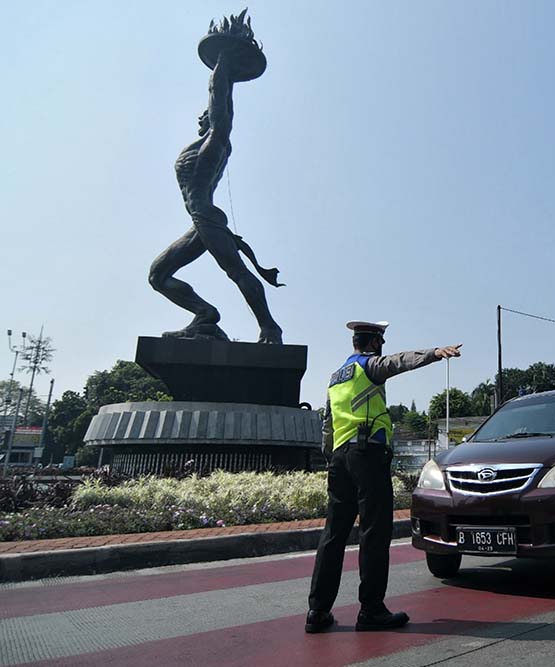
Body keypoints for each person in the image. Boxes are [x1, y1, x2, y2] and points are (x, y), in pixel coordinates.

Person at [305, 321, 461, 633]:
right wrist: (434, 353)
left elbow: (327, 425)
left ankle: (317, 611)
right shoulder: (369, 366)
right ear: (375, 343)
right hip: (367, 456)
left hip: (339, 459)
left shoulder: (336, 377)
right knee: (374, 532)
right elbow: (399, 362)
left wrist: (333, 458)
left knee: (333, 534)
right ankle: (371, 610)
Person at [148, 48, 283, 344]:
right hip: (199, 221)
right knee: (158, 276)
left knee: (237, 272)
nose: (201, 116)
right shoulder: (202, 145)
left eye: (206, 113)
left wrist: (222, 63)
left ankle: (270, 328)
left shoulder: (215, 142)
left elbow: (219, 97)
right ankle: (205, 314)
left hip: (207, 217)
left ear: (215, 117)